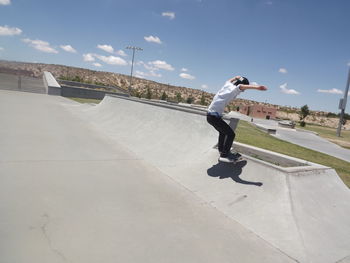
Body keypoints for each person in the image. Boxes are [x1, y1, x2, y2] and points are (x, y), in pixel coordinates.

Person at [207, 76, 267, 163]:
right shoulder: (234, 88)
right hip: (214, 117)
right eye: (243, 90)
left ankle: (222, 150)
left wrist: (236, 77)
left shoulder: (227, 85)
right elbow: (241, 86)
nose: (242, 91)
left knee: (223, 132)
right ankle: (224, 155)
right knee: (231, 134)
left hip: (210, 116)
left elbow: (229, 80)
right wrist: (258, 87)